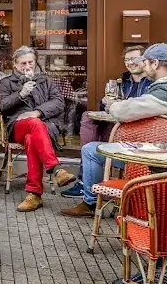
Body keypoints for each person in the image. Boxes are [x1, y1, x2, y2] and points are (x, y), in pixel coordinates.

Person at [61, 43, 167, 217]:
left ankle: (91, 203)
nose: (143, 66)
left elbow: (124, 111)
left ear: (155, 64)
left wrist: (114, 105)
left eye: (146, 63)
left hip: (153, 160)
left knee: (91, 150)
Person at [0, 47, 76, 212]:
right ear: (16, 65)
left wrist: (38, 112)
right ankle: (56, 169)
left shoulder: (46, 80)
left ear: (35, 62)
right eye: (23, 63)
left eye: (30, 62)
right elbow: (0, 105)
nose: (28, 66)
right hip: (17, 126)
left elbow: (59, 102)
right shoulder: (7, 82)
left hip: (43, 125)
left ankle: (34, 194)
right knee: (33, 124)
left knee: (33, 136)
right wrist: (21, 94)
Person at [63, 45, 151, 199]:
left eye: (134, 59)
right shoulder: (123, 81)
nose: (130, 63)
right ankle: (86, 180)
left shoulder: (151, 84)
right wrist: (105, 103)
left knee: (97, 138)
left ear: (145, 61)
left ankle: (89, 183)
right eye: (127, 60)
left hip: (136, 132)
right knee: (88, 118)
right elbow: (109, 106)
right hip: (118, 122)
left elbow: (140, 108)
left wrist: (118, 106)